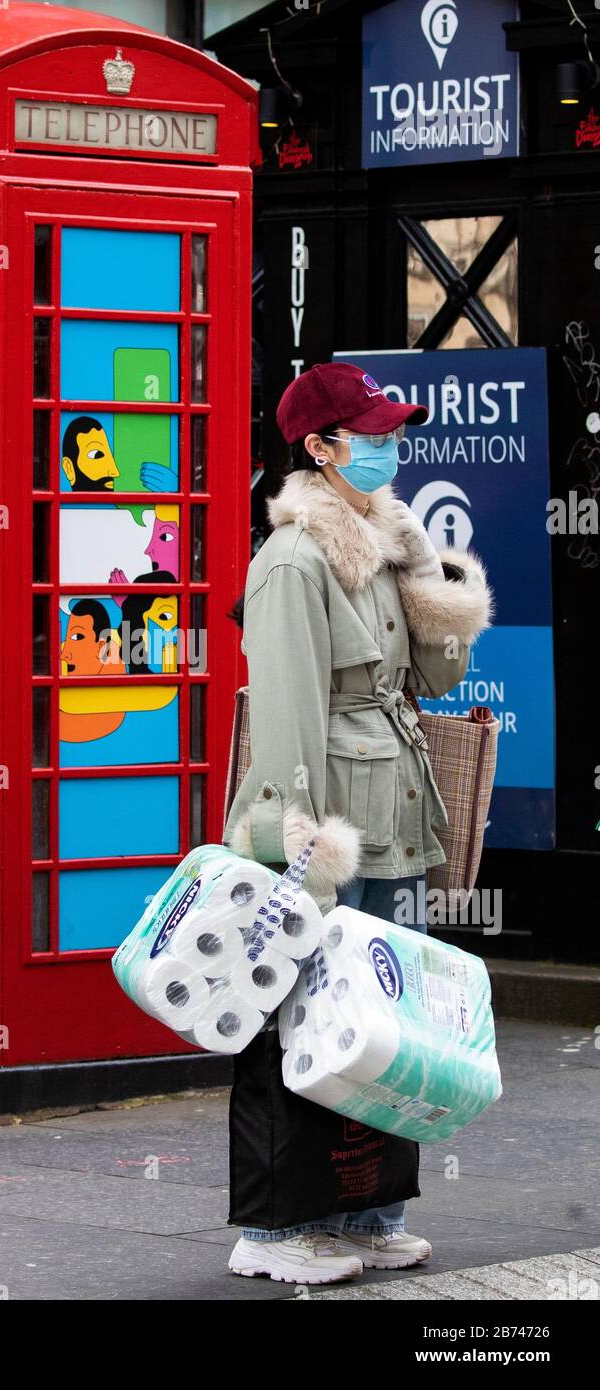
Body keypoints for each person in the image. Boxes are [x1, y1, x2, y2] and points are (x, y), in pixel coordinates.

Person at [223, 361, 493, 1286]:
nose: (388, 449)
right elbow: (288, 714)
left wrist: (431, 579)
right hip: (332, 824)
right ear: (318, 449)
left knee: (387, 1026)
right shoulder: (294, 561)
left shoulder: (381, 544)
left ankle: (368, 1212)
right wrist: (297, 844)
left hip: (399, 813)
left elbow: (433, 681)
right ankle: (272, 1229)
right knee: (297, 1020)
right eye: (369, 436)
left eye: (390, 435)